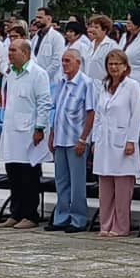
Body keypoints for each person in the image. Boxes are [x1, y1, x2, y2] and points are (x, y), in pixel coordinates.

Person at [0, 40, 52, 230]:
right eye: (9, 50)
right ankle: (16, 212)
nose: (10, 54)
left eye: (13, 50)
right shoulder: (11, 73)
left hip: (29, 132)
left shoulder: (38, 74)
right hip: (12, 131)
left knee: (29, 175)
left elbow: (44, 102)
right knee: (14, 174)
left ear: (26, 53)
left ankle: (30, 214)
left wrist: (40, 128)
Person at [92, 49, 140, 237]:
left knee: (122, 188)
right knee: (105, 186)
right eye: (110, 64)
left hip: (122, 142)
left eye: (117, 64)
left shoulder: (132, 86)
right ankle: (105, 224)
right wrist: (95, 139)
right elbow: (98, 115)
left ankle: (121, 226)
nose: (113, 67)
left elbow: (136, 115)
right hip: (104, 141)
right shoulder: (104, 85)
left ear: (125, 66)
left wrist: (131, 140)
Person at [45, 49, 96, 233]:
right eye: (63, 61)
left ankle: (78, 218)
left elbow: (91, 112)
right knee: (61, 180)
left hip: (76, 139)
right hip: (60, 138)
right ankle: (62, 216)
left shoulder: (86, 83)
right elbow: (56, 110)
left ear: (78, 62)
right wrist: (52, 134)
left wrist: (84, 139)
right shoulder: (61, 82)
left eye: (68, 61)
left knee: (77, 182)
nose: (64, 64)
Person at [30, 7, 65, 88]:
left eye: (40, 17)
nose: (37, 20)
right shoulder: (35, 38)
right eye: (36, 17)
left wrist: (43, 76)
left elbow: (56, 62)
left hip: (51, 82)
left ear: (49, 18)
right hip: (35, 80)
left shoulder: (57, 37)